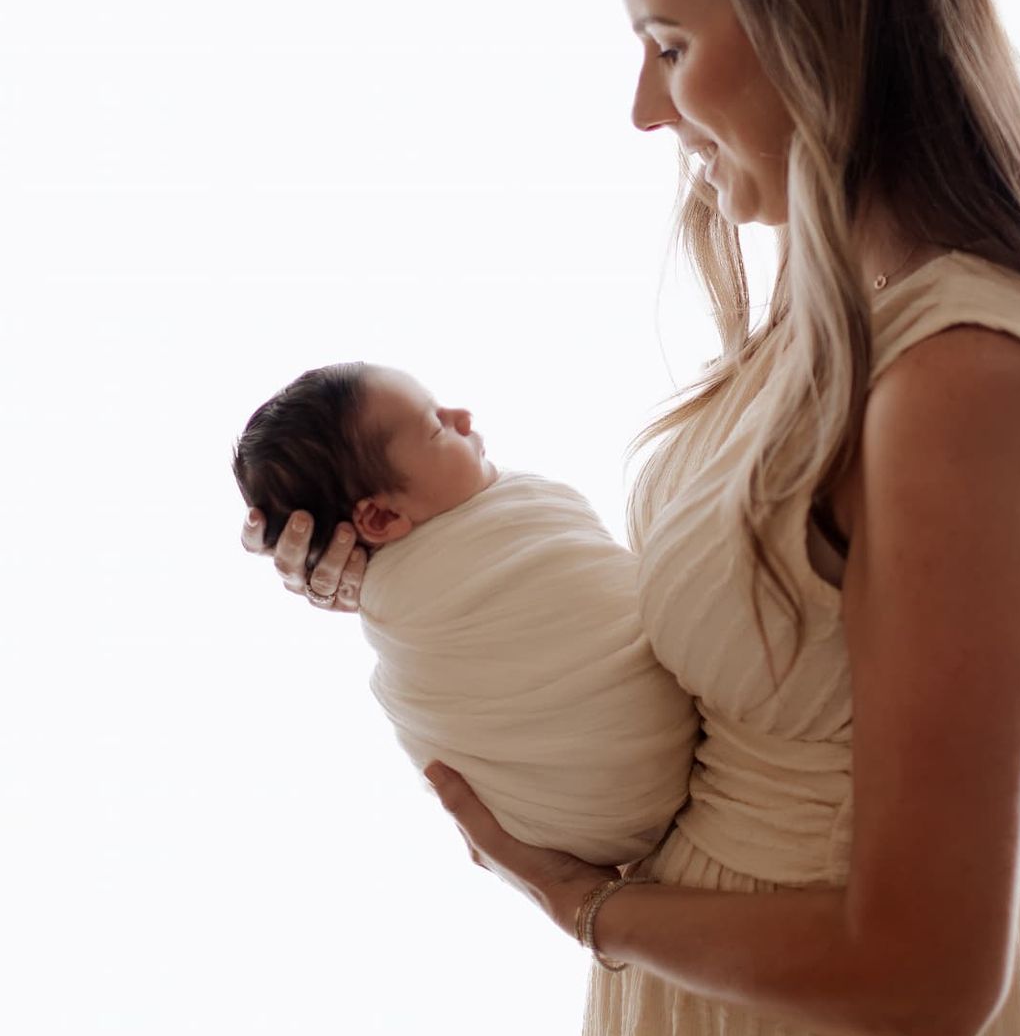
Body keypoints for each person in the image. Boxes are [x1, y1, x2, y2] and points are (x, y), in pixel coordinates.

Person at [241, 0, 1020, 1036]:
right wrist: (413, 576)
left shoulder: (964, 378)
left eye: (673, 45)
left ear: (814, 26)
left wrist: (585, 905)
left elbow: (923, 978)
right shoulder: (837, 323)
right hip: (719, 985)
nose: (648, 108)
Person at [230, 361, 697, 868]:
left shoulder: (491, 529)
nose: (462, 415)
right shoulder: (422, 591)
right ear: (381, 517)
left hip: (579, 830)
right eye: (436, 426)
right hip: (638, 771)